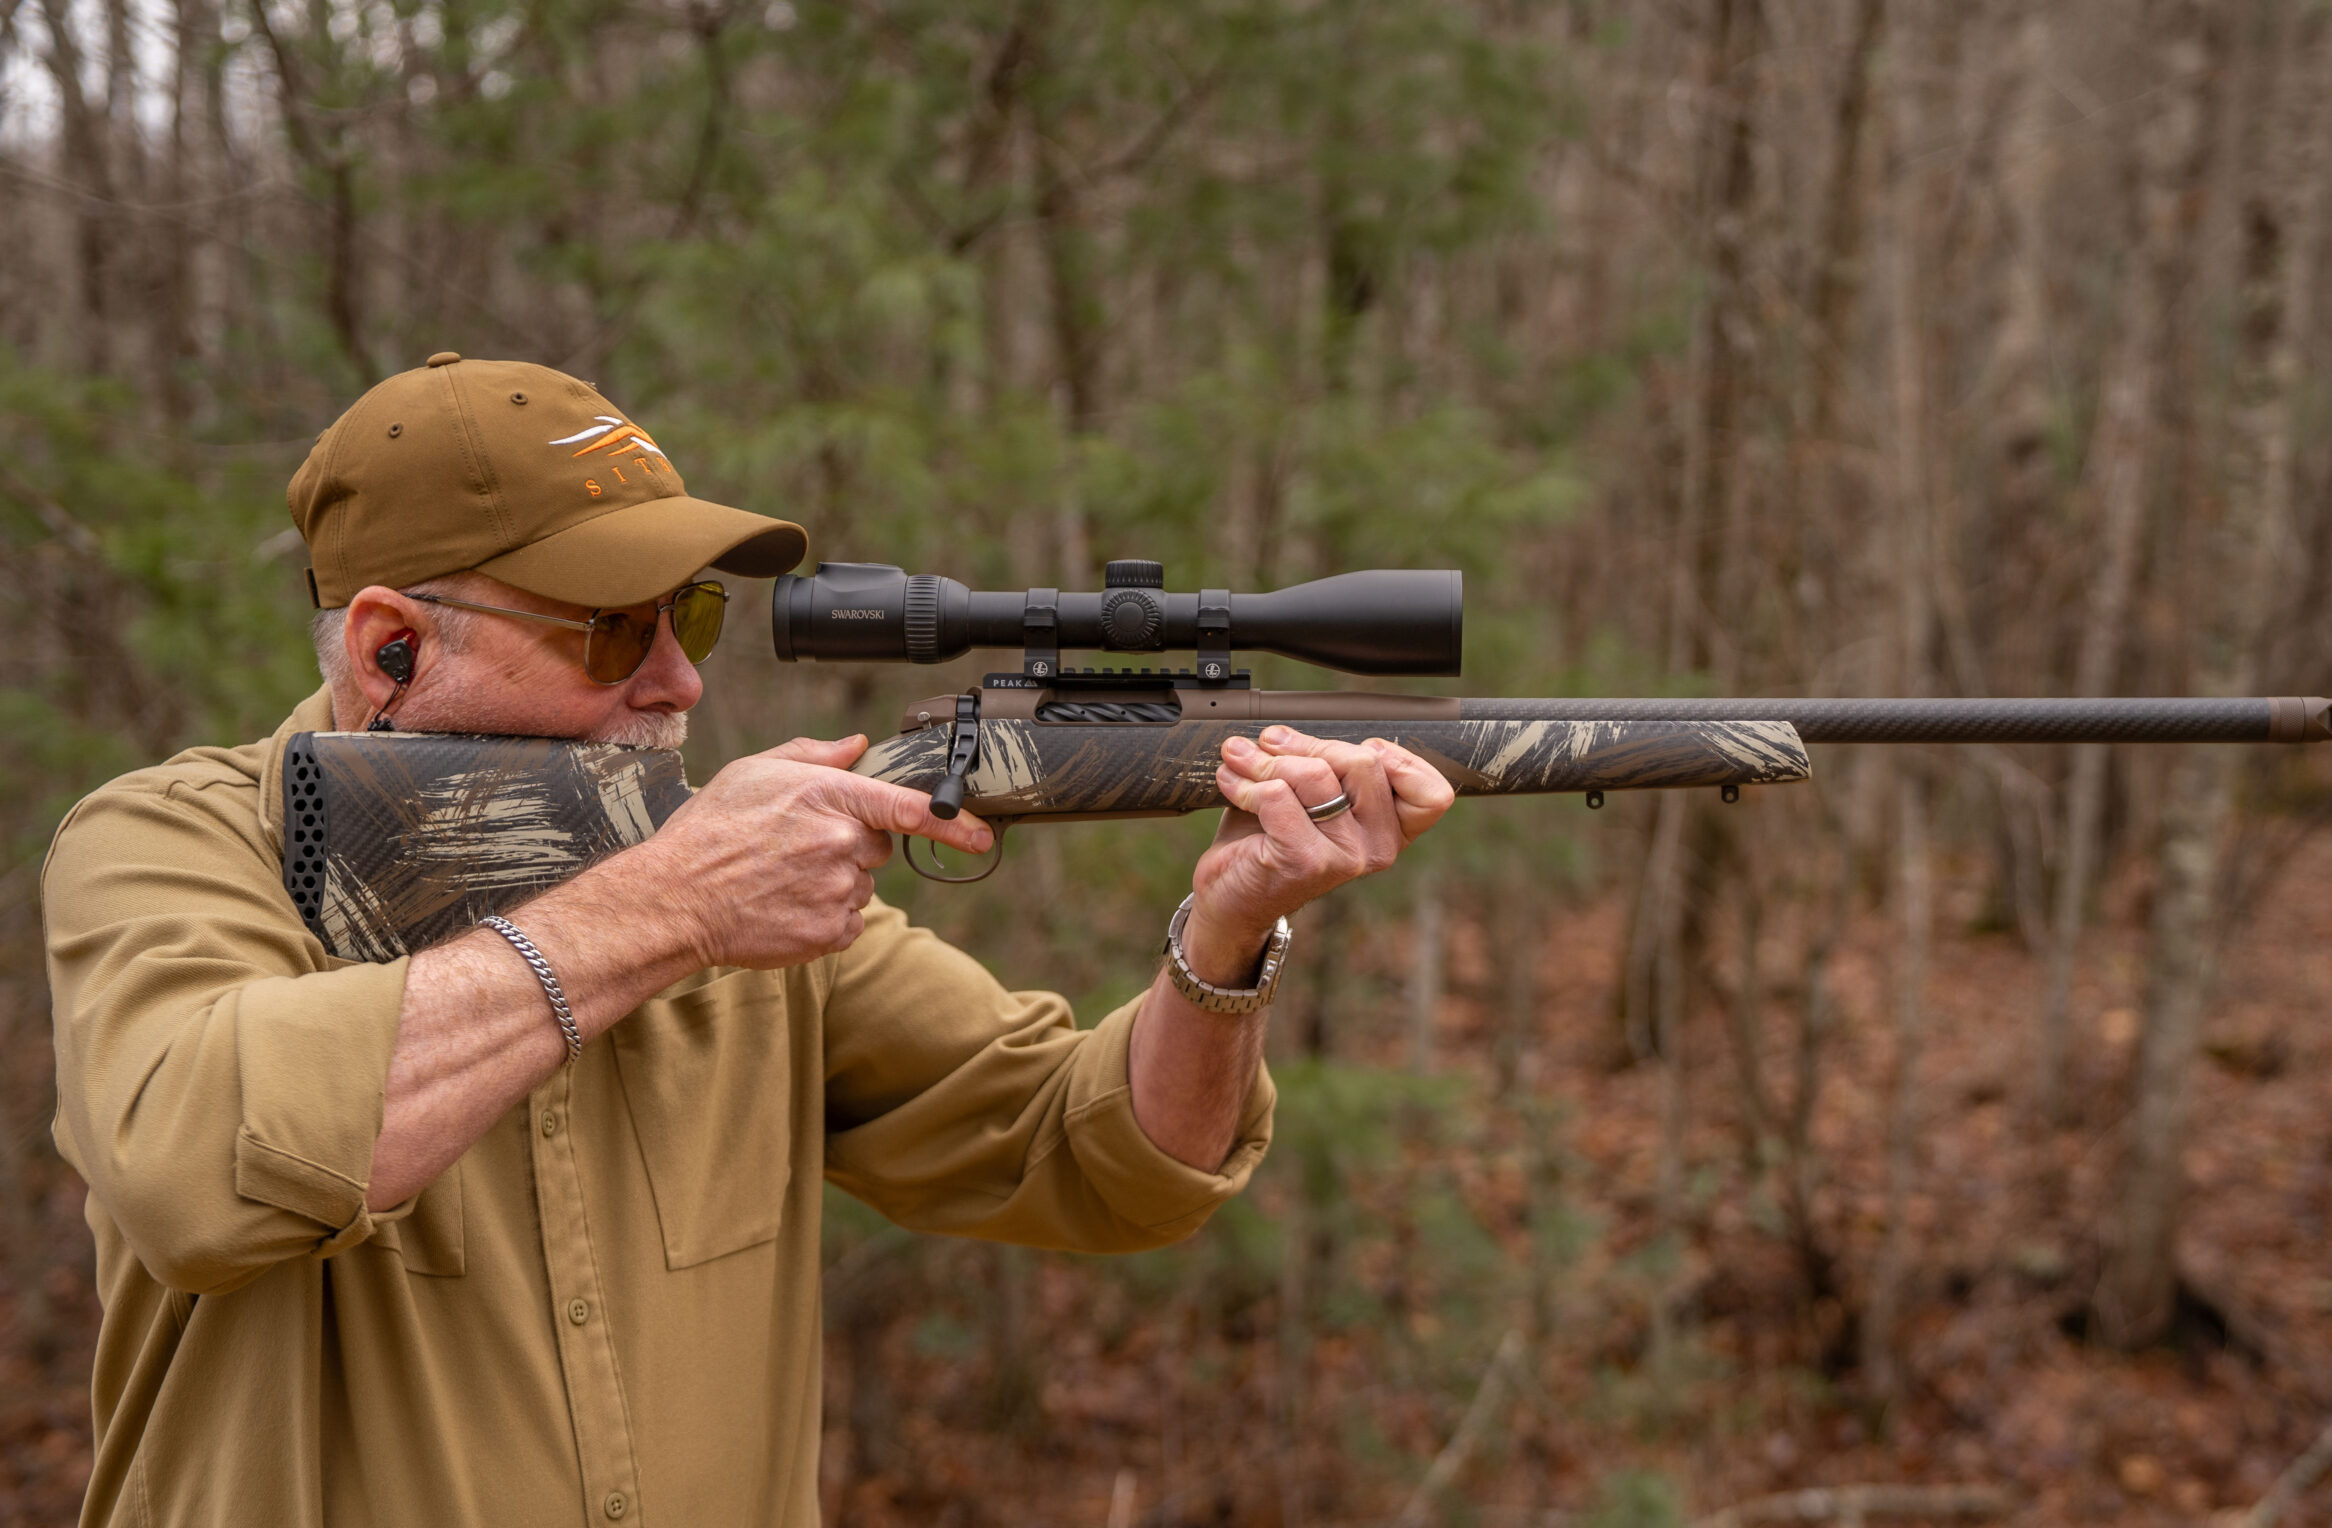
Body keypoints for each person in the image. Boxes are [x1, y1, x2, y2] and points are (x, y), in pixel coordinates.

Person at [42, 351, 1455, 1527]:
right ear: (390, 646)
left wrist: (1225, 938)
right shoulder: (173, 844)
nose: (681, 677)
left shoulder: (742, 890)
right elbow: (197, 1166)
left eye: (693, 615)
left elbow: (1092, 1163)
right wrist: (668, 911)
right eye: (614, 632)